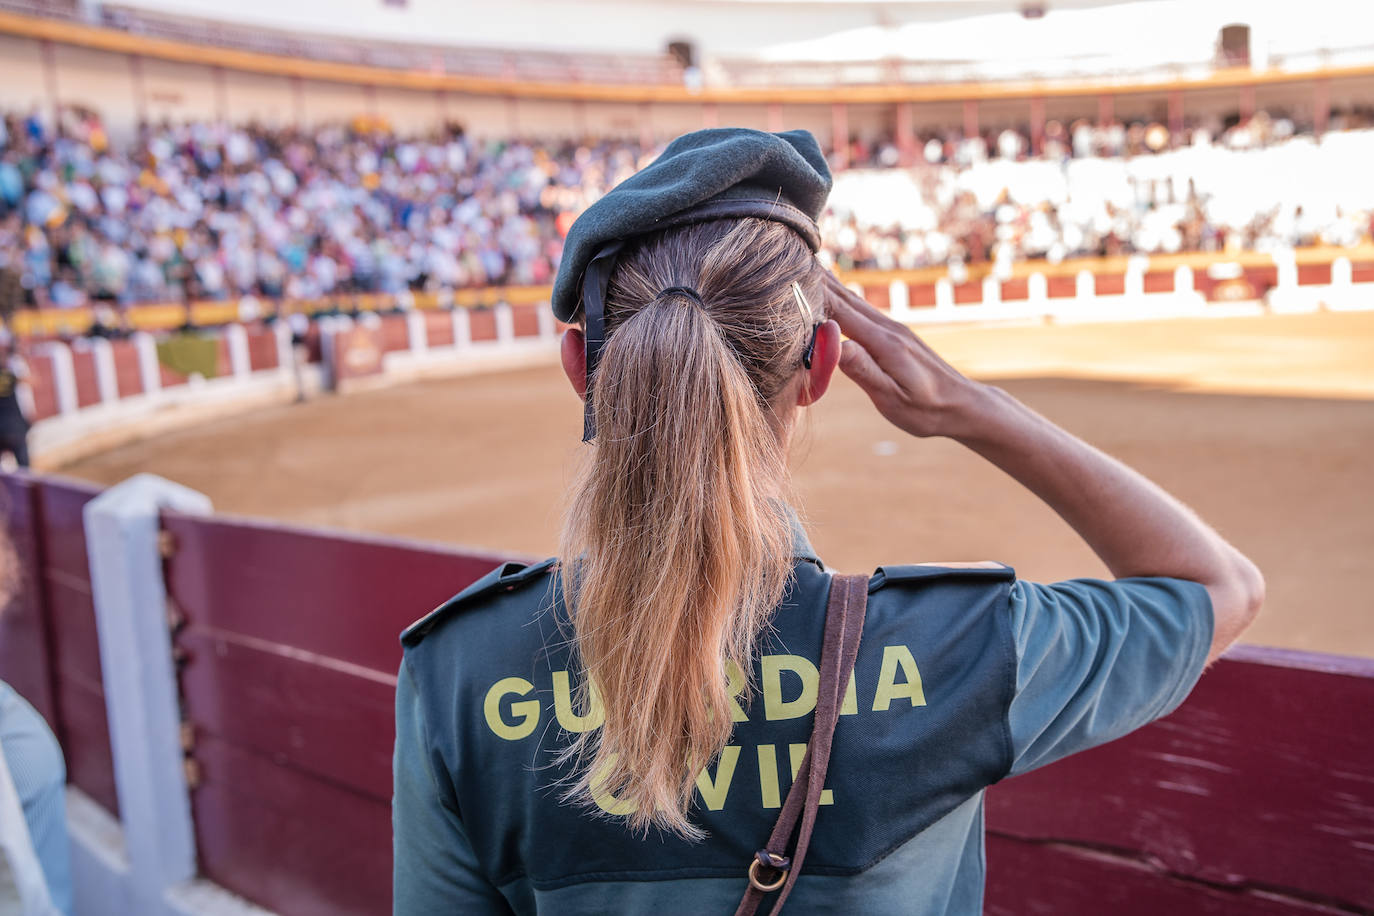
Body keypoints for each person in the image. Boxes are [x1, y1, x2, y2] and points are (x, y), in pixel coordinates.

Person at [392, 129, 1263, 914]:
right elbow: (1219, 587)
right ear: (822, 364)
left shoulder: (461, 670)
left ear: (582, 367)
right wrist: (973, 407)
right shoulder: (958, 646)